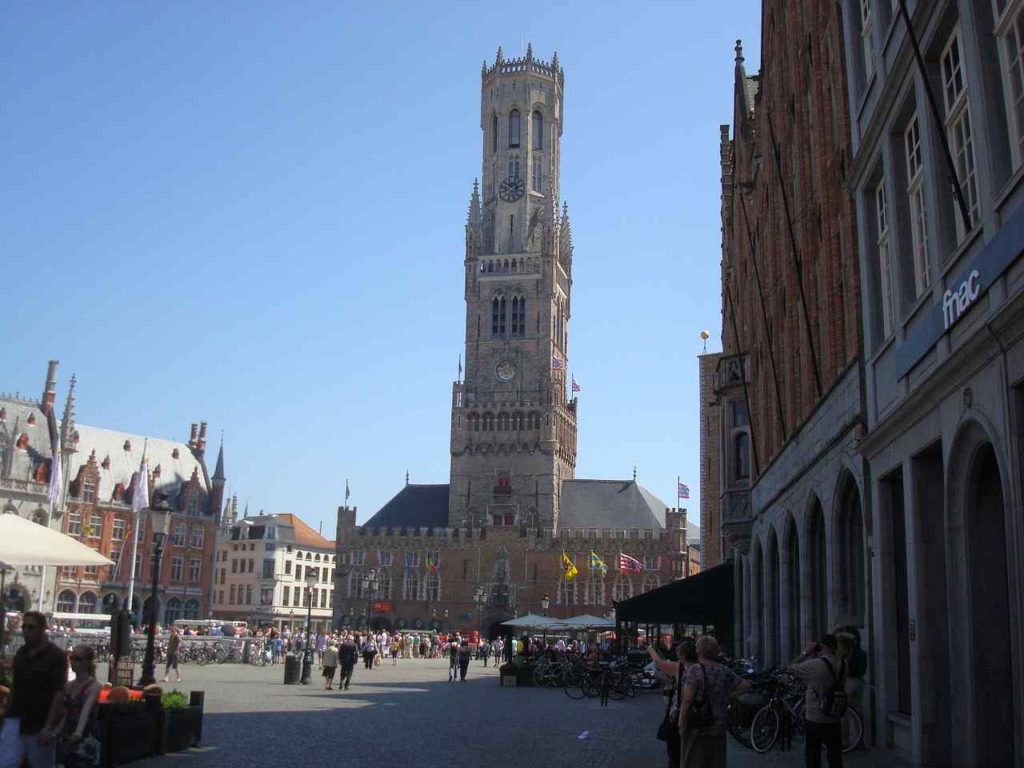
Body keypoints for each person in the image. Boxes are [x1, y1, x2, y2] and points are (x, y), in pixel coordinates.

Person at [0, 611, 68, 768]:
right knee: (6, 763)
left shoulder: (56, 656)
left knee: (41, 764)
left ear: (43, 629)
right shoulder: (22, 653)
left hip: (39, 720)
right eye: (24, 627)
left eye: (31, 627)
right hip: (15, 717)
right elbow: (16, 686)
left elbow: (59, 692)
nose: (26, 630)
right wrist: (6, 717)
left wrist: (49, 726)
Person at [678, 635, 750, 768]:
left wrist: (681, 722)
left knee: (693, 761)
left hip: (697, 726)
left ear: (698, 650)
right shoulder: (723, 670)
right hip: (718, 725)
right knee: (716, 762)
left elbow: (687, 699)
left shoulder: (695, 670)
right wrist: (727, 695)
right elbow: (745, 685)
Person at [789, 634, 845, 768]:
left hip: (815, 716)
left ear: (823, 646)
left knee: (813, 753)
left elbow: (791, 668)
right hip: (834, 715)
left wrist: (806, 652)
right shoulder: (843, 664)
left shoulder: (815, 664)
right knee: (835, 753)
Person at [649, 640, 697, 768]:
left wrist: (649, 648)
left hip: (680, 716)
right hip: (699, 718)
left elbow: (658, 662)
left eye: (678, 654)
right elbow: (676, 682)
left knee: (675, 755)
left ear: (683, 655)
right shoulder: (701, 667)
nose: (677, 656)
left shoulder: (680, 667)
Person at [58, 645, 101, 768]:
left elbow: (86, 710)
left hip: (86, 736)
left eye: (78, 659)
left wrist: (79, 731)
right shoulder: (68, 686)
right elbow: (64, 713)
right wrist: (56, 731)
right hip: (67, 736)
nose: (73, 662)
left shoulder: (94, 686)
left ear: (88, 662)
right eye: (72, 658)